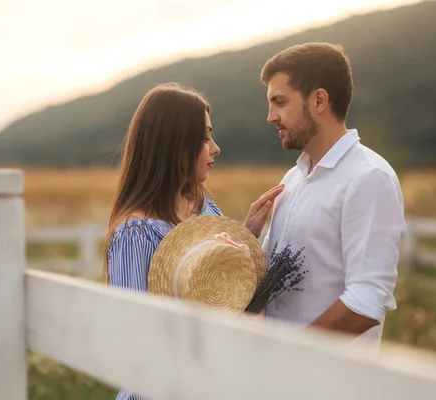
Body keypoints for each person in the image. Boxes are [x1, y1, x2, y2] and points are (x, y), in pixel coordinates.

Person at [103, 82, 283, 400]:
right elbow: (135, 339)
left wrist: (247, 233)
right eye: (204, 137)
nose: (215, 148)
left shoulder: (200, 203)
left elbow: (210, 282)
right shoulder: (135, 234)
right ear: (174, 144)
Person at [259, 43, 407, 350]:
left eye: (280, 102)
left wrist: (291, 356)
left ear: (319, 100)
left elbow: (366, 301)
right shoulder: (292, 179)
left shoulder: (368, 177)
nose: (271, 116)